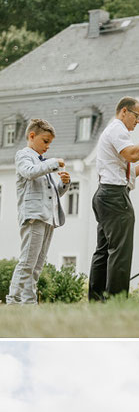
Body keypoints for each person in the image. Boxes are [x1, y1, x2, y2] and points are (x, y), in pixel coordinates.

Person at [88, 97, 139, 300]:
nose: (138, 121)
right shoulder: (118, 129)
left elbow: (125, 172)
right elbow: (132, 154)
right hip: (114, 197)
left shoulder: (114, 131)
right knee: (121, 251)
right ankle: (116, 299)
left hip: (105, 194)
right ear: (124, 112)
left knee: (103, 251)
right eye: (137, 116)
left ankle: (97, 299)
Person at [7, 118, 70, 305]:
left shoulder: (42, 163)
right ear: (32, 136)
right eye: (45, 141)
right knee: (27, 262)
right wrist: (51, 163)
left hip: (47, 217)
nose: (48, 146)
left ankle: (29, 302)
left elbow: (52, 193)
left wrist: (64, 183)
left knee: (37, 265)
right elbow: (29, 172)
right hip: (33, 216)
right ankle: (14, 300)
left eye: (50, 143)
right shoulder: (24, 156)